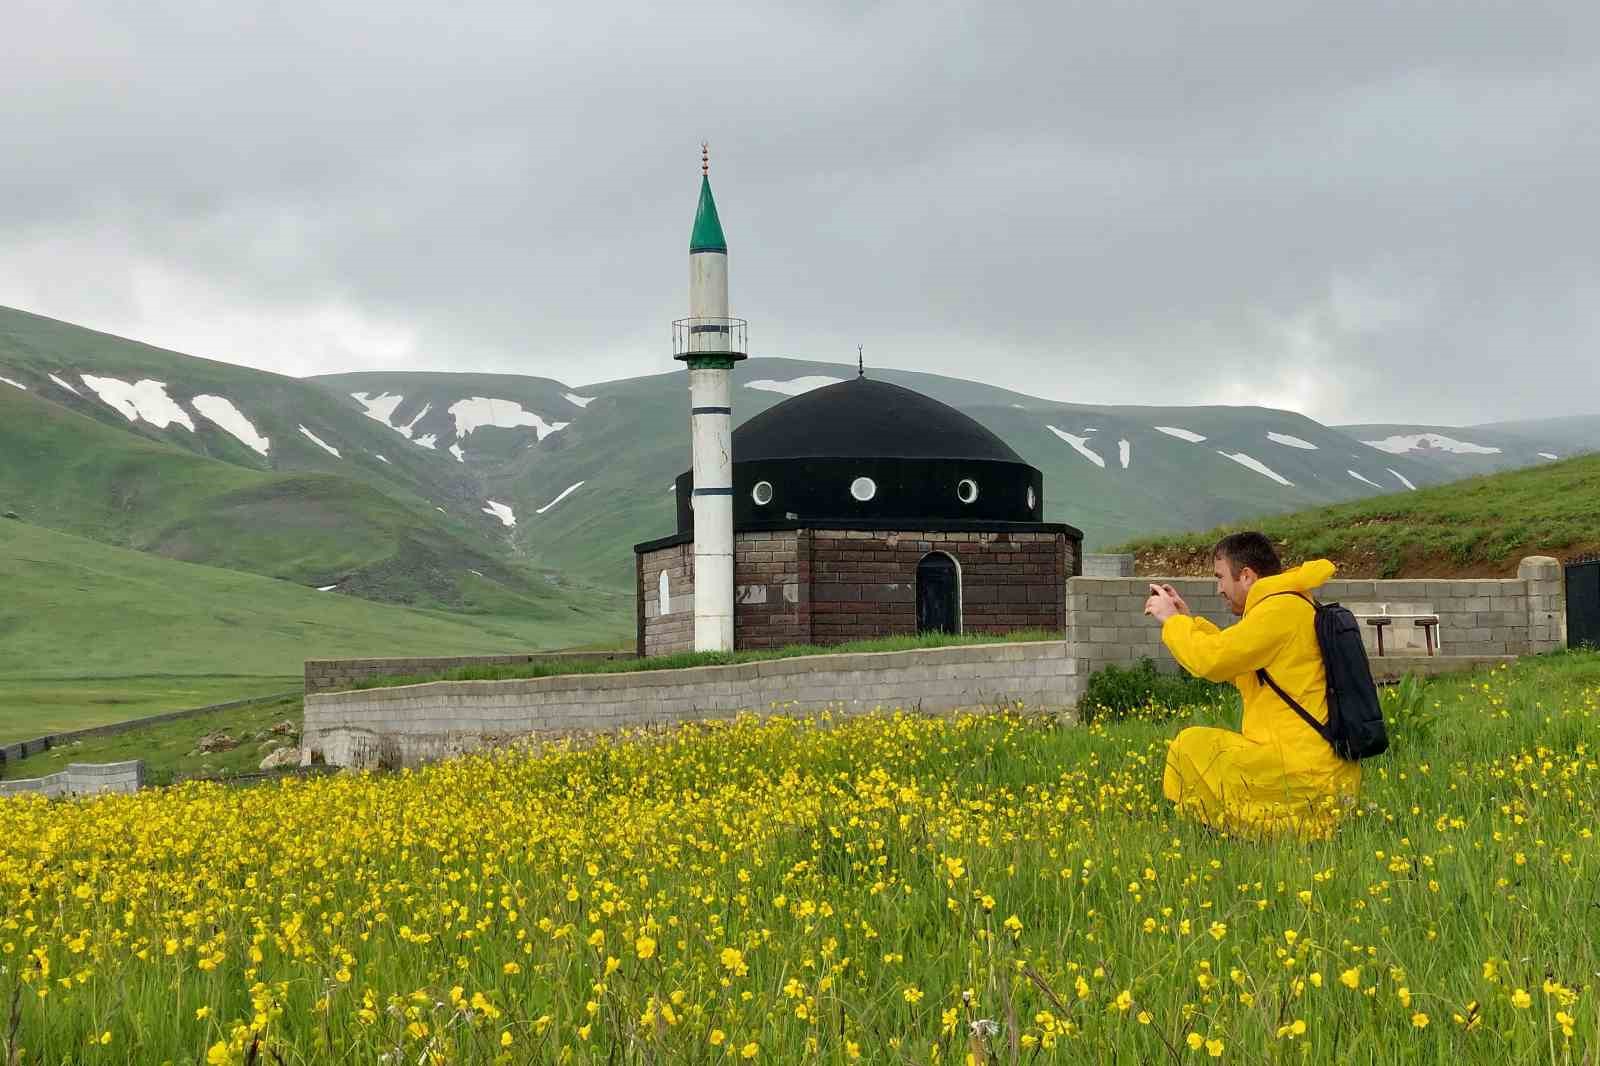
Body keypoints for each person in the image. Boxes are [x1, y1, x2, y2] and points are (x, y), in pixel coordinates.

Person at [1143, 532, 1360, 838]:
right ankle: (1238, 831)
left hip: (1304, 773)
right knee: (1206, 749)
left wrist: (1172, 622)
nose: (1219, 589)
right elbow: (1239, 662)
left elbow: (1213, 661)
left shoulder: (1278, 611)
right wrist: (1187, 621)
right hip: (1319, 768)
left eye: (1220, 578)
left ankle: (1227, 833)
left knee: (1189, 747)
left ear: (1245, 576)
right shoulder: (1290, 604)